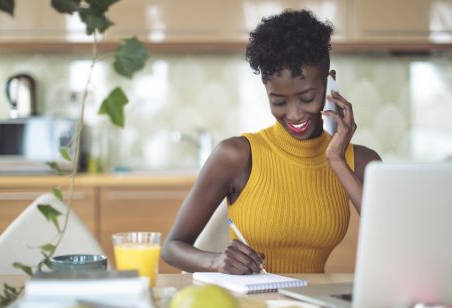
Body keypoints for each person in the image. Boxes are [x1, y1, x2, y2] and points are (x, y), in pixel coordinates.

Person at [161, 9, 381, 275]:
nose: (295, 114)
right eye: (278, 102)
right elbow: (172, 248)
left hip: (313, 307)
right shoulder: (236, 155)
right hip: (249, 307)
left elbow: (395, 245)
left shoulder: (361, 162)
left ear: (329, 83)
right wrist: (216, 262)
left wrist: (336, 159)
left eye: (307, 97)